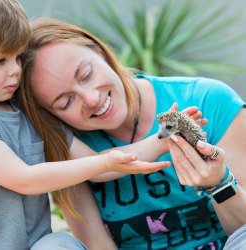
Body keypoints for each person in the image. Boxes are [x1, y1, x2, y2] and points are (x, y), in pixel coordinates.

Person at [0, 2, 174, 249]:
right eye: (0, 60)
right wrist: (103, 162)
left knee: (58, 244)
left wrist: (165, 137)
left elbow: (99, 164)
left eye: (18, 57)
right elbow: (24, 179)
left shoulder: (26, 112)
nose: (15, 71)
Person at [16, 18, 246, 249]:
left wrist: (218, 183)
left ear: (100, 52)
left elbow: (243, 230)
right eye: (66, 102)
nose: (92, 100)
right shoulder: (66, 149)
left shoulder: (210, 100)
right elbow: (97, 243)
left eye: (86, 74)